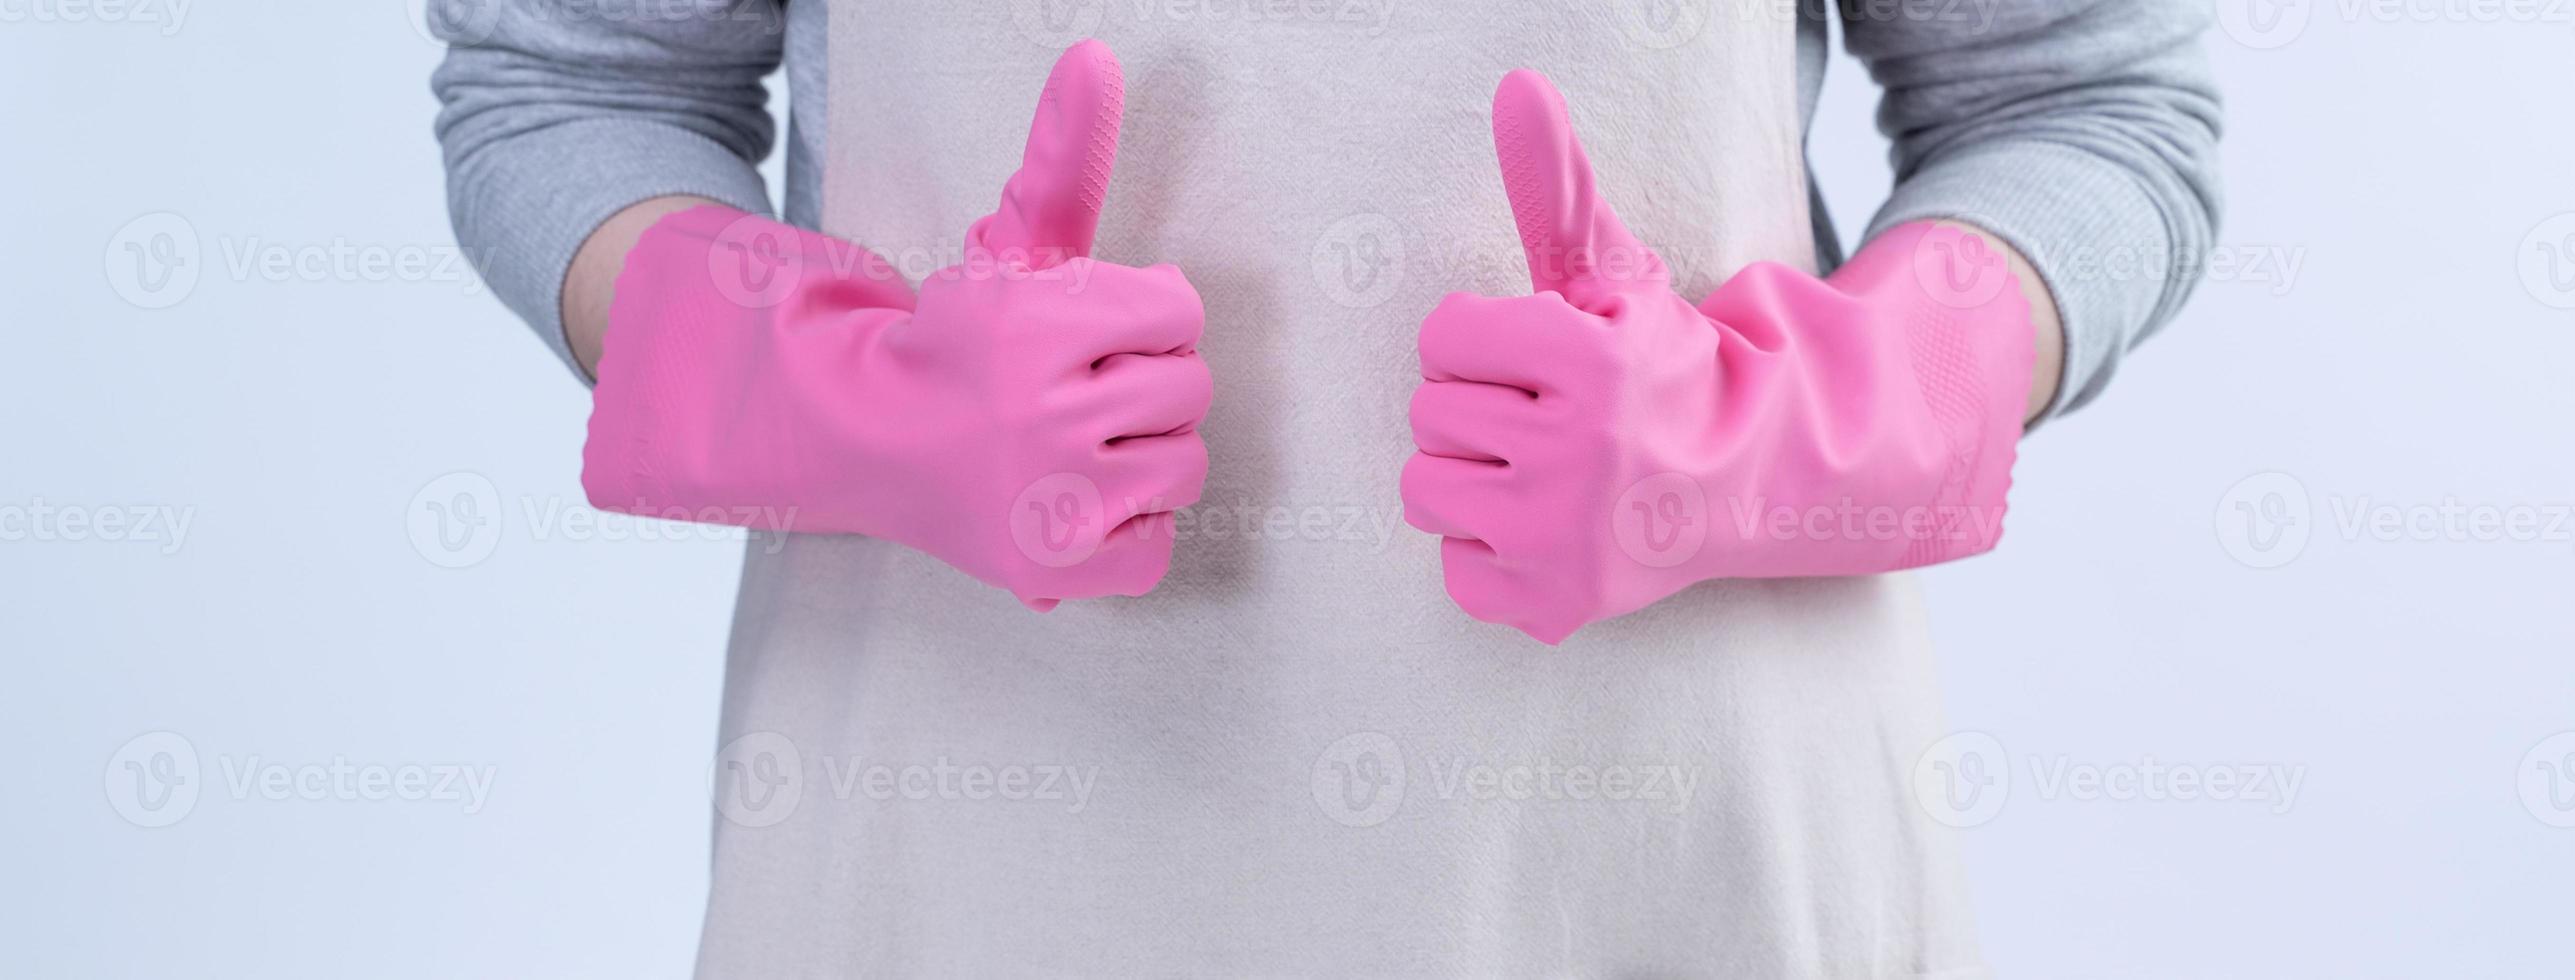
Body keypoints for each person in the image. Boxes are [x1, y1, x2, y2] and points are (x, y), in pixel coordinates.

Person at [431, 1, 2219, 974]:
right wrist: (822, 387)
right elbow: (565, 87)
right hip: (957, 872)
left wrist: (1802, 424)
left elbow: (2089, 108)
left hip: (1691, 876)